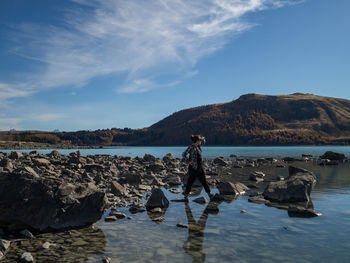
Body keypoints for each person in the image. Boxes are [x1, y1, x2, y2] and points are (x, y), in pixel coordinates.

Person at [182, 135, 212, 199]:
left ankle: (209, 194)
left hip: (200, 168)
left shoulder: (198, 146)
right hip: (193, 168)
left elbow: (203, 142)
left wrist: (201, 138)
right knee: (190, 182)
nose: (200, 142)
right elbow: (183, 154)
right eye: (199, 140)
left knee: (204, 181)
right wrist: (188, 161)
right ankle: (186, 196)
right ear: (197, 141)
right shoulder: (191, 147)